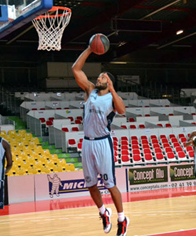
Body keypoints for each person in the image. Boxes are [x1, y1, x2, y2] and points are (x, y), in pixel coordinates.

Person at [72, 46, 129, 236]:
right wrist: (89, 49)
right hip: (87, 142)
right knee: (90, 184)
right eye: (99, 76)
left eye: (103, 77)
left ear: (110, 82)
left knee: (110, 184)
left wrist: (112, 89)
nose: (98, 78)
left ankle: (122, 219)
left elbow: (122, 110)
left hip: (103, 143)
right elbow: (76, 69)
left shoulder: (112, 99)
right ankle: (103, 212)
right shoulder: (90, 90)